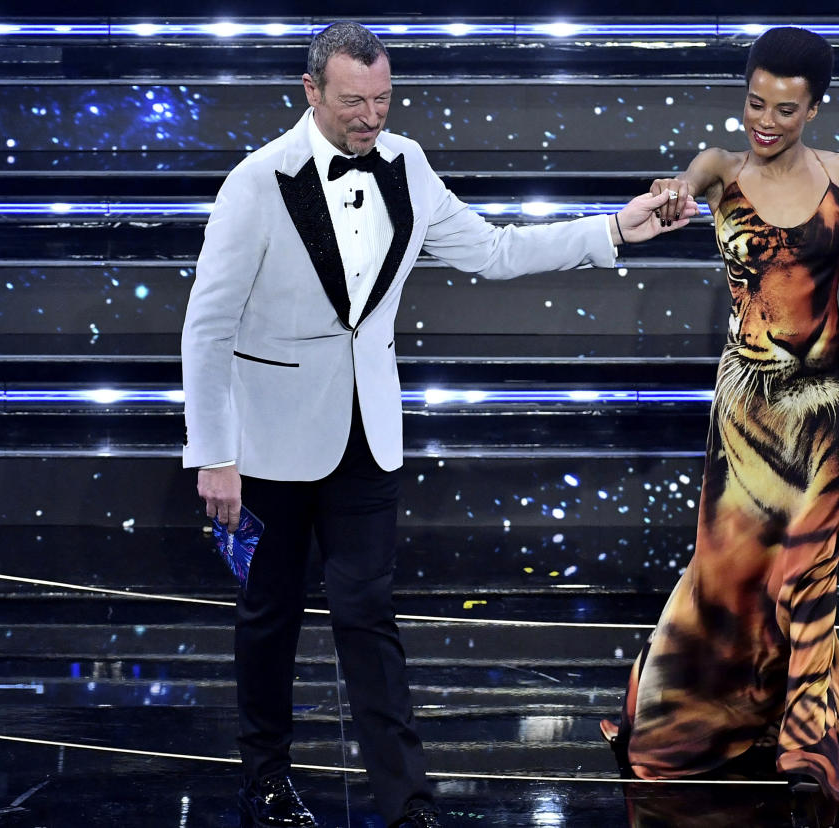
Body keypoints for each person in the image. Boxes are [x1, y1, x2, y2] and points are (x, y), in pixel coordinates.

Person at [180, 21, 695, 828]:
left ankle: (407, 803)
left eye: (382, 99)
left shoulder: (408, 165)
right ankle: (267, 784)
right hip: (268, 444)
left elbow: (493, 250)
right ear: (310, 92)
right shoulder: (255, 183)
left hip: (367, 436)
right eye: (354, 101)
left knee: (369, 618)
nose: (371, 116)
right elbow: (206, 327)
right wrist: (214, 454)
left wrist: (615, 230)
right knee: (269, 619)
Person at [600, 26, 839, 806]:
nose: (764, 121)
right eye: (754, 103)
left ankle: (809, 738)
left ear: (816, 108)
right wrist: (668, 195)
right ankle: (696, 714)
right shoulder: (719, 168)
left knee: (807, 573)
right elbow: (674, 187)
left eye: (784, 109)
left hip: (823, 409)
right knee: (733, 577)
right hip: (744, 409)